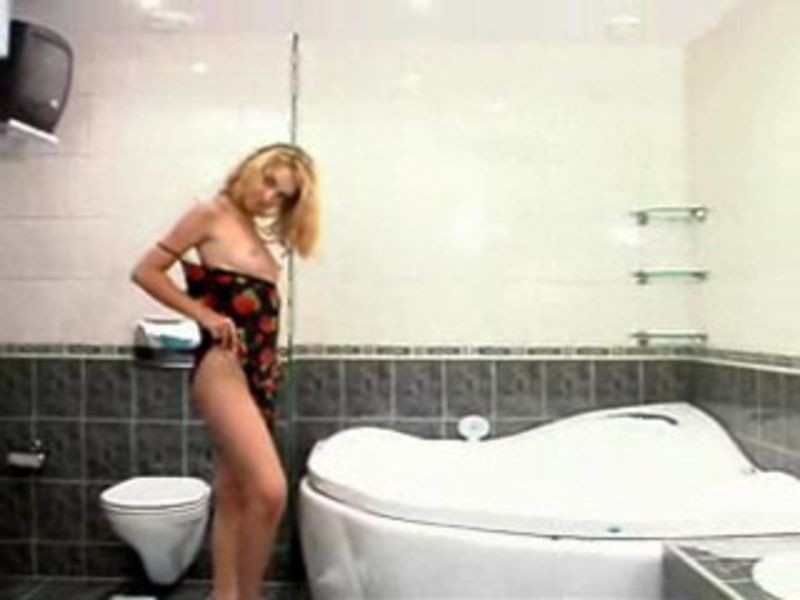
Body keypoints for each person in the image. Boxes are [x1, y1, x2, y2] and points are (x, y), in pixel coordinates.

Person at [131, 143, 320, 600]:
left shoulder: (253, 231)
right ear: (251, 169)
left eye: (283, 196)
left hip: (261, 372)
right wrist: (204, 315)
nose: (269, 198)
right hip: (223, 365)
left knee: (235, 495)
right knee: (270, 490)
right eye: (269, 183)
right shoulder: (209, 214)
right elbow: (146, 271)